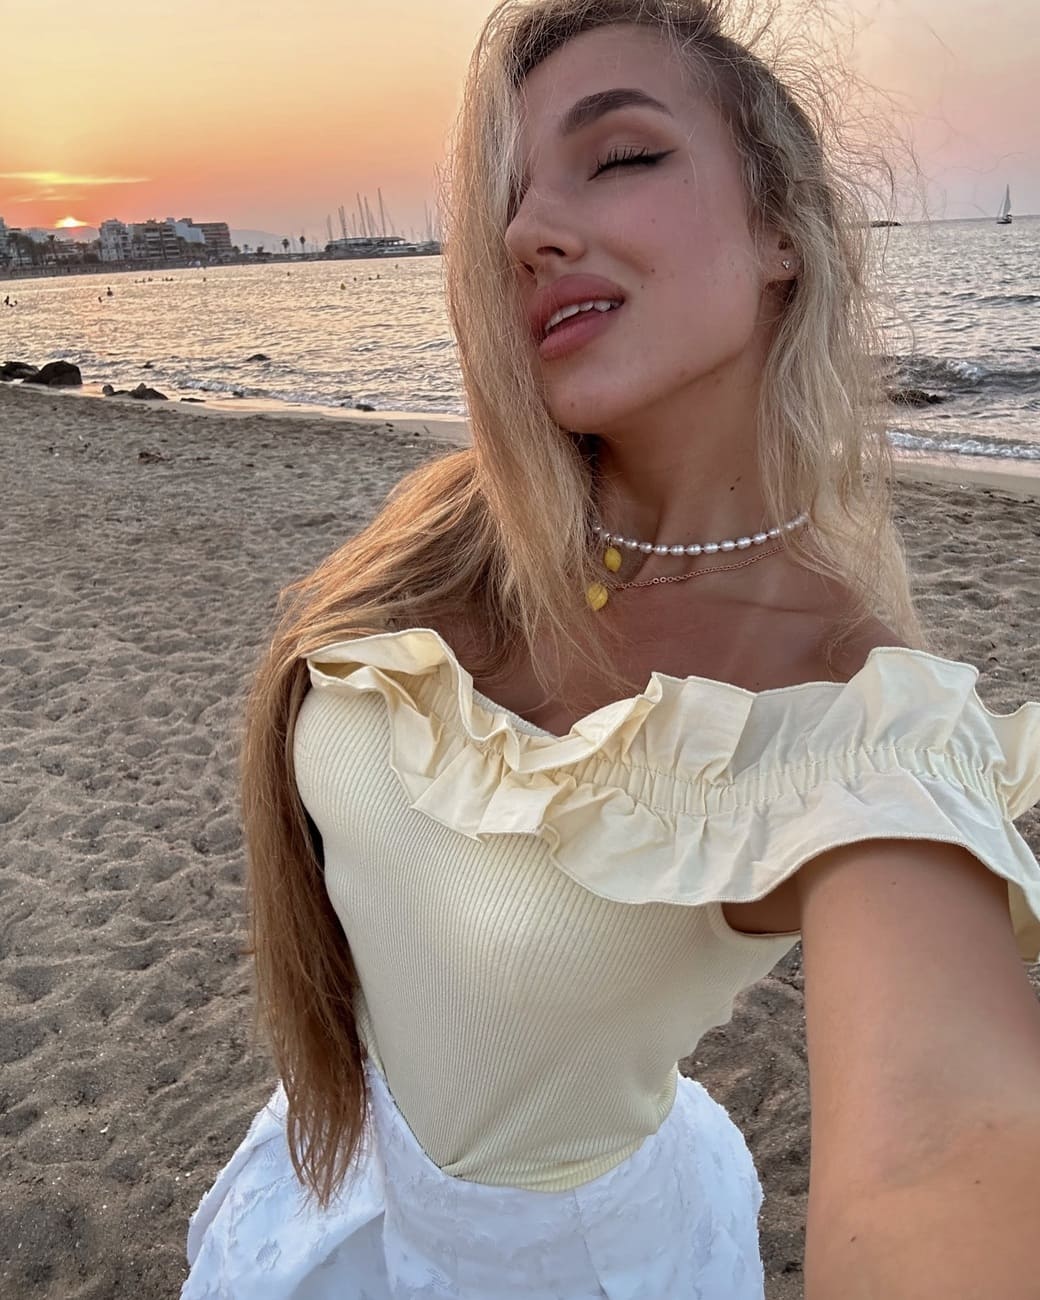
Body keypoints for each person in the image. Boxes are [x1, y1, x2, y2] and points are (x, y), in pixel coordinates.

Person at [181, 1, 1040, 1297]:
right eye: (507, 199)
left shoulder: (845, 711)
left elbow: (944, 1150)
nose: (526, 231)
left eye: (622, 155)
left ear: (781, 231)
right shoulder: (450, 529)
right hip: (336, 1190)